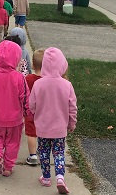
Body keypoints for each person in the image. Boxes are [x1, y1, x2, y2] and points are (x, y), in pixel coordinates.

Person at [29, 47, 77, 194]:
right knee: (59, 152)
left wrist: (34, 114)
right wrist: (71, 123)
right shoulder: (66, 85)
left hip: (42, 127)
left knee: (43, 152)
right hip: (59, 128)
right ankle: (60, 176)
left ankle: (46, 177)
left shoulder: (38, 84)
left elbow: (32, 104)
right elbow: (72, 107)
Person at [0, 40, 31, 177]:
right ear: (16, 58)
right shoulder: (19, 78)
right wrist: (27, 112)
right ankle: (8, 167)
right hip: (15, 119)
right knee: (13, 142)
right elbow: (25, 97)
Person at [24, 48, 45, 166]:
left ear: (32, 64)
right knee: (42, 132)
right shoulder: (47, 80)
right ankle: (42, 152)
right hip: (45, 111)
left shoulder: (28, 79)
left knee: (31, 133)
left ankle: (32, 155)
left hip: (30, 111)